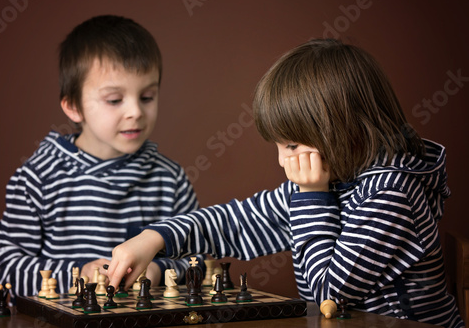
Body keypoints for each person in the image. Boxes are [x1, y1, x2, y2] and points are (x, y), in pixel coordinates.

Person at [107, 39, 464, 327]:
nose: (282, 160)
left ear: (342, 129)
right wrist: (155, 238)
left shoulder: (392, 193)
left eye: (292, 144)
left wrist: (312, 197)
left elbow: (325, 293)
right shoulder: (333, 178)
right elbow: (239, 222)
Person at [0, 15, 202, 301]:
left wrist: (158, 270)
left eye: (147, 97)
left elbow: (198, 259)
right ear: (74, 107)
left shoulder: (170, 179)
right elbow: (2, 266)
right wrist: (78, 274)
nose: (135, 111)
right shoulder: (38, 178)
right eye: (115, 100)